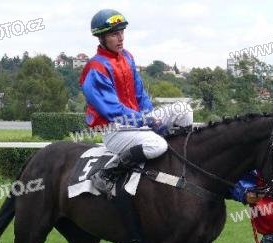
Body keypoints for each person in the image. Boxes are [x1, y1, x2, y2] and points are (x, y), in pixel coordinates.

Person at [80, 9, 192, 194]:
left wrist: (150, 116)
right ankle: (107, 173)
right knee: (157, 145)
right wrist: (146, 121)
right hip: (115, 129)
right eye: (114, 34)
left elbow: (140, 94)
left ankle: (179, 160)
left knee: (184, 109)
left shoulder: (127, 57)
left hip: (139, 121)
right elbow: (112, 110)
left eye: (122, 32)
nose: (121, 38)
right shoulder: (95, 67)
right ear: (101, 38)